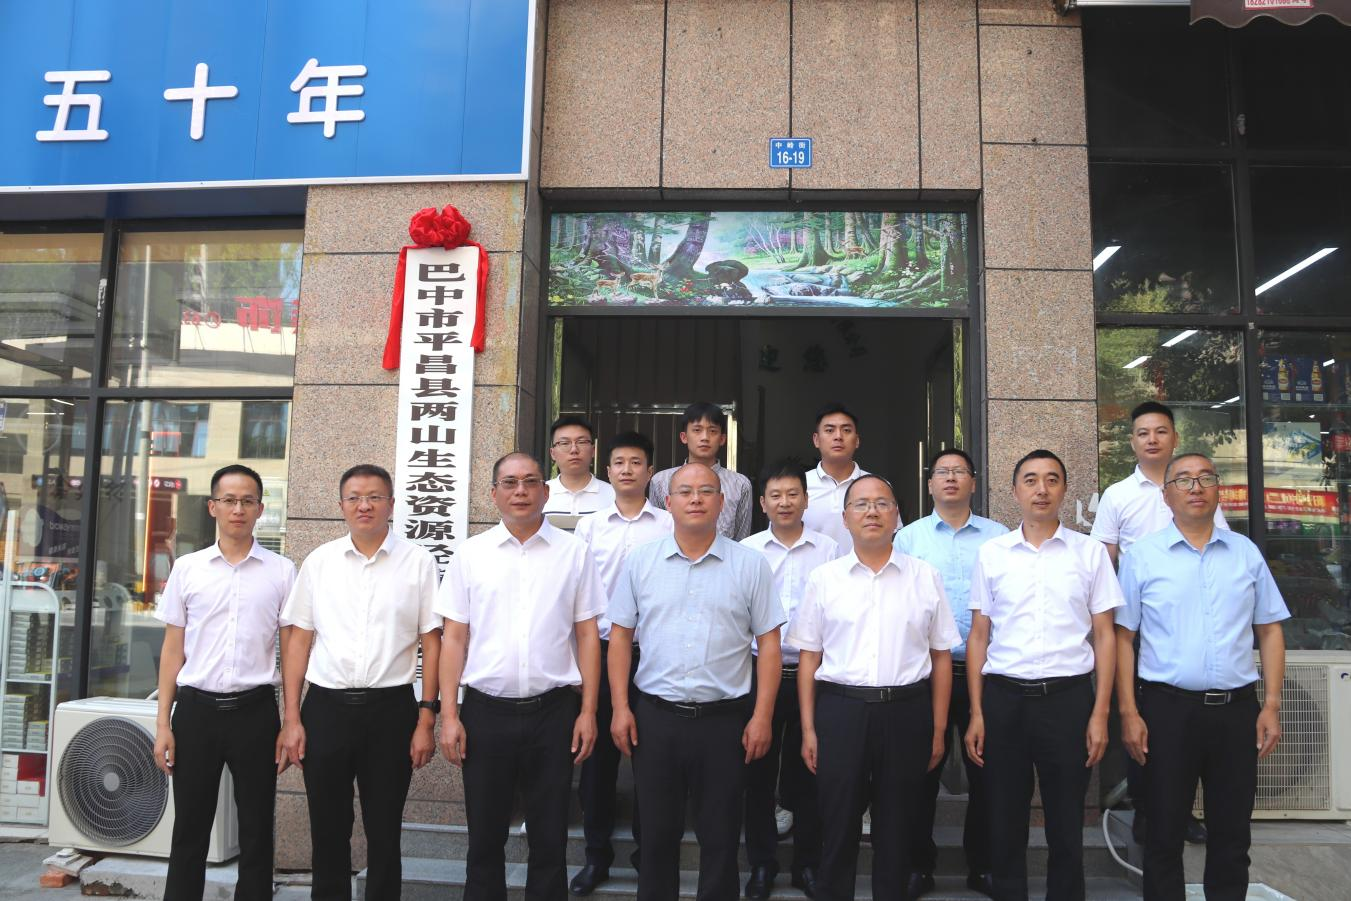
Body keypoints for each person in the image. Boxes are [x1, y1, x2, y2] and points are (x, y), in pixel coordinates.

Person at [1116, 453, 1288, 901]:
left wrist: (1271, 704)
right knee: (1163, 831)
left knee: (1232, 833)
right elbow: (1122, 638)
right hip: (1166, 710)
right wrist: (1129, 712)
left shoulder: (1245, 553)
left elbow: (1270, 630)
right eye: (1184, 480)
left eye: (1205, 478)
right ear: (1166, 495)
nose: (1195, 487)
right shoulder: (1142, 557)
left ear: (1218, 490)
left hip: (1236, 710)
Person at [609, 463, 784, 901]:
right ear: (668, 502)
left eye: (706, 491)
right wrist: (620, 708)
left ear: (722, 503)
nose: (696, 499)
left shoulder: (750, 564)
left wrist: (762, 716)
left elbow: (770, 645)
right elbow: (620, 638)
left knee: (721, 836)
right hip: (656, 718)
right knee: (656, 836)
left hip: (725, 722)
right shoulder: (641, 562)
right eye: (685, 491)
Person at [437, 452, 606, 901]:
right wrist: (449, 715)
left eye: (530, 482)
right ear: (494, 493)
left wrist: (588, 711)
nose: (521, 491)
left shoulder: (573, 553)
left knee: (550, 837)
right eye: (510, 483)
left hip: (554, 711)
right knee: (484, 837)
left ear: (545, 492)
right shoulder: (471, 555)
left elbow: (587, 635)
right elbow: (454, 638)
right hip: (485, 713)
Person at [790, 474, 958, 901]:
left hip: (906, 711)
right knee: (837, 823)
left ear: (897, 515)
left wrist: (938, 728)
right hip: (841, 711)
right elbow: (809, 657)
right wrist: (808, 729)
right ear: (845, 517)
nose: (872, 512)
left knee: (898, 827)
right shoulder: (824, 578)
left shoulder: (925, 576)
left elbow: (941, 656)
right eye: (861, 504)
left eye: (882, 503)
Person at [279, 464, 442, 901]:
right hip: (326, 708)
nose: (364, 505)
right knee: (327, 827)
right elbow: (299, 641)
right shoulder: (320, 561)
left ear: (392, 504)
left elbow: (432, 641)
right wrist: (291, 718)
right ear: (341, 506)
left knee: (384, 828)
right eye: (354, 497)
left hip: (391, 711)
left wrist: (427, 717)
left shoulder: (418, 562)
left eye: (374, 497)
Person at [965, 450, 1121, 901]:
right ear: (1015, 490)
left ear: (1064, 489)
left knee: (1066, 819)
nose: (1041, 489)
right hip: (1004, 699)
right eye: (1031, 480)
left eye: (1052, 480)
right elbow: (979, 635)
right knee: (1005, 817)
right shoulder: (992, 554)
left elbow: (1105, 635)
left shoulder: (1089, 553)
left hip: (1068, 700)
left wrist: (1100, 712)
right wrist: (977, 712)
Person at [154, 464, 296, 901]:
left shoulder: (282, 571)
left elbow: (291, 650)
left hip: (256, 712)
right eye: (229, 500)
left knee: (257, 827)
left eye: (247, 501)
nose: (238, 509)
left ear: (260, 509)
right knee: (190, 828)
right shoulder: (188, 569)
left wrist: (290, 721)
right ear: (212, 506)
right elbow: (172, 649)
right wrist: (163, 724)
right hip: (195, 712)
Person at [1091, 400, 1226, 845]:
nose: (1152, 439)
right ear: (1132, 441)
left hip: (1190, 623)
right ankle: (1146, 809)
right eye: (1143, 433)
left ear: (1174, 438)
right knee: (1141, 719)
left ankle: (1182, 812)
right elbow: (1103, 562)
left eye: (1161, 431)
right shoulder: (1118, 495)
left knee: (1187, 723)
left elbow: (1221, 548)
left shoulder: (1197, 488)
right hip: (1136, 626)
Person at [894, 449, 1007, 900]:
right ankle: (919, 866)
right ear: (930, 484)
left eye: (960, 472)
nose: (951, 479)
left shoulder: (999, 538)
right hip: (927, 674)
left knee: (988, 774)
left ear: (973, 483)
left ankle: (983, 866)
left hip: (987, 672)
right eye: (942, 472)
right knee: (920, 773)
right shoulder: (908, 539)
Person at [569, 433, 673, 895]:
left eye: (636, 462)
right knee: (597, 761)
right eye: (618, 462)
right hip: (600, 649)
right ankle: (597, 856)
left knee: (652, 760)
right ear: (607, 471)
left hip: (654, 653)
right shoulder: (590, 527)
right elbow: (576, 593)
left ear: (650, 472)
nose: (627, 469)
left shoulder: (669, 523)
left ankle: (646, 854)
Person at [740, 459, 839, 900]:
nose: (785, 502)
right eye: (776, 495)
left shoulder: (829, 549)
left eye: (793, 494)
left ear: (806, 499)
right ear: (762, 503)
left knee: (810, 773)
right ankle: (762, 865)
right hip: (759, 673)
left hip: (813, 674)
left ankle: (807, 865)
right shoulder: (747, 551)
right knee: (757, 773)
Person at [649, 402, 753, 540]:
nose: (705, 437)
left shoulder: (740, 484)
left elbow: (742, 540)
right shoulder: (660, 481)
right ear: (684, 437)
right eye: (697, 430)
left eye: (712, 431)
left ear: (722, 439)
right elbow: (657, 532)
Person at [802, 403, 876, 553]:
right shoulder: (799, 486)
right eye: (829, 430)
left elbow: (890, 538)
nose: (838, 436)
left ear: (857, 440)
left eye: (846, 430)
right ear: (816, 440)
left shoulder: (877, 487)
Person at [543, 414, 615, 522]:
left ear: (593, 450)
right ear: (552, 453)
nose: (574, 450)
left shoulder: (613, 495)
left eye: (581, 442)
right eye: (564, 443)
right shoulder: (539, 494)